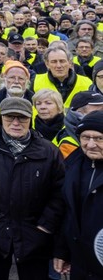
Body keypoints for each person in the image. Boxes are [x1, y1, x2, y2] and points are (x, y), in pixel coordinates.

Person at [0, 97, 65, 280]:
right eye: (10, 117)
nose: (16, 123)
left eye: (22, 118)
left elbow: (59, 192)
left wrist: (44, 226)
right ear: (1, 118)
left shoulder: (49, 151)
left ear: (30, 119)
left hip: (34, 236)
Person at [53, 110, 103, 279]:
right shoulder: (72, 165)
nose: (90, 144)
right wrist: (63, 251)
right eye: (85, 137)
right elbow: (67, 214)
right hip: (81, 264)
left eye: (98, 138)